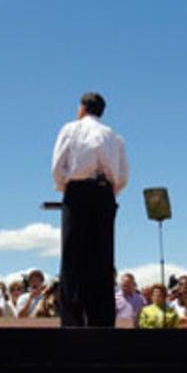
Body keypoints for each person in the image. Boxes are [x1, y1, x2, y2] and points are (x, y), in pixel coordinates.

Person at [51, 91, 129, 327]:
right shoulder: (114, 137)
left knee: (73, 257)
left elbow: (58, 165)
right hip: (105, 193)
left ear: (82, 107)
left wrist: (66, 186)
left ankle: (73, 322)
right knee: (103, 258)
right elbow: (123, 174)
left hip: (77, 191)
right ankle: (102, 321)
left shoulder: (71, 129)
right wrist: (109, 190)